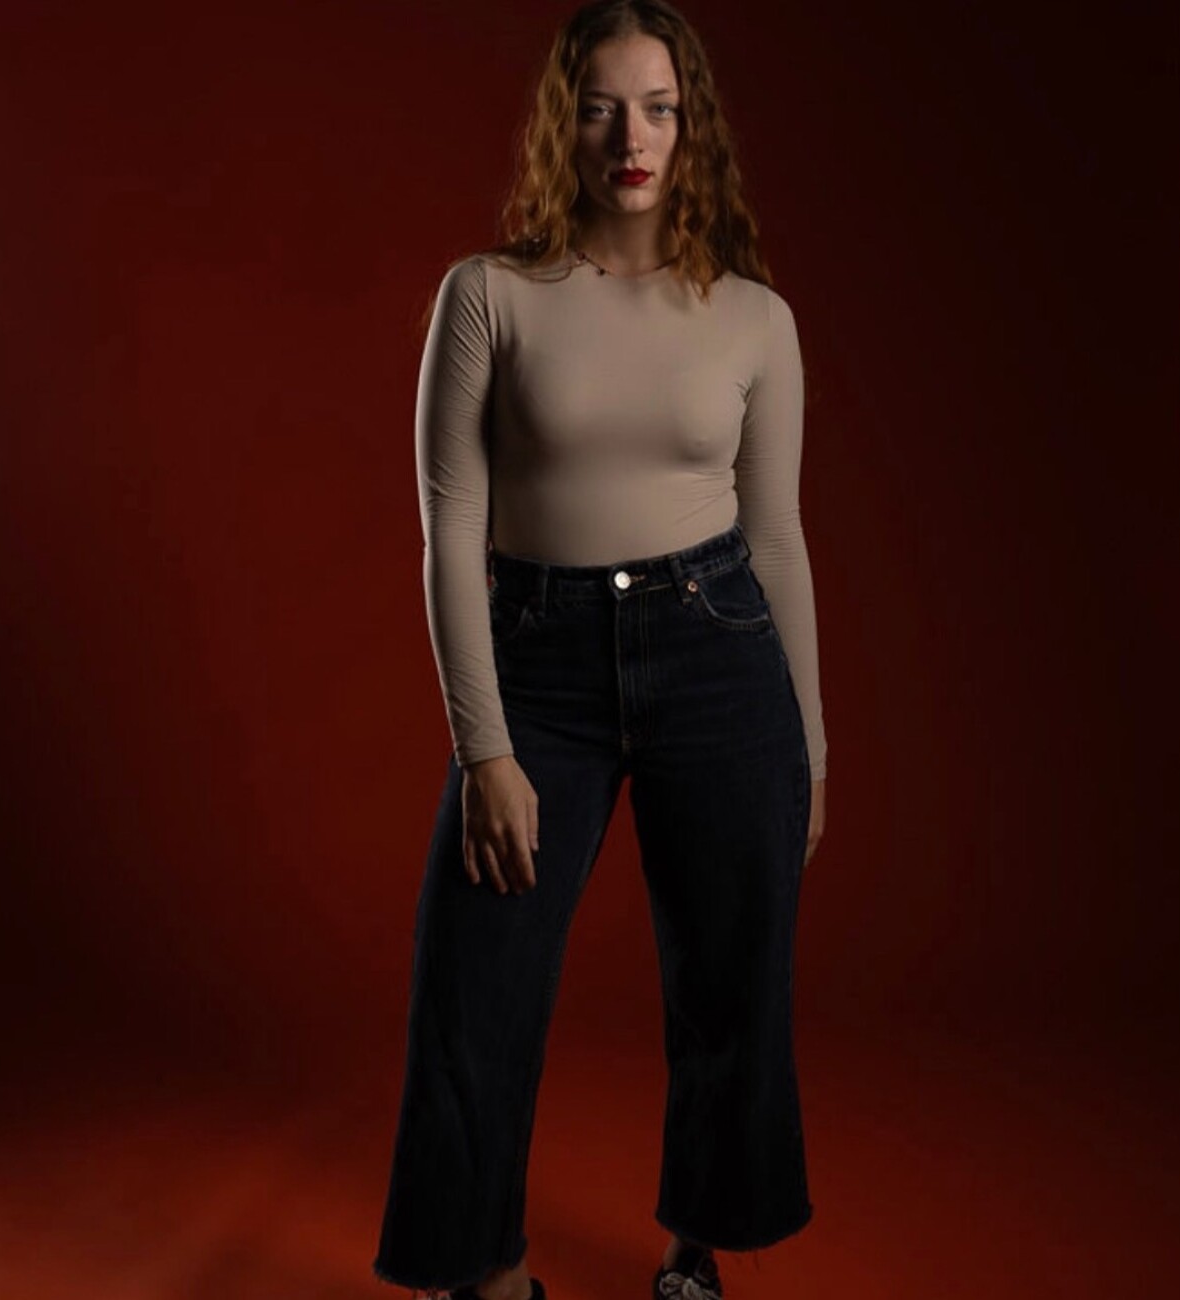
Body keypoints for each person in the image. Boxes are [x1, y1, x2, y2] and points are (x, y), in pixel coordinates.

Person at [373, 2, 827, 1297]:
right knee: (476, 981)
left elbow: (778, 539)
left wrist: (812, 742)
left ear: (692, 129)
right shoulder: (487, 296)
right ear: (560, 125)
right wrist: (485, 748)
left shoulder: (755, 319)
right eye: (601, 107)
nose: (631, 137)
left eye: (659, 109)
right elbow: (449, 532)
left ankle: (696, 1250)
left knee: (730, 978)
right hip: (542, 660)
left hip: (718, 647)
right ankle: (490, 1272)